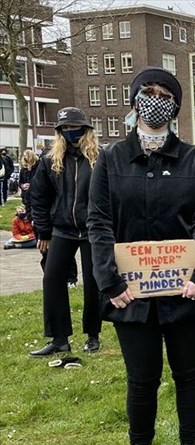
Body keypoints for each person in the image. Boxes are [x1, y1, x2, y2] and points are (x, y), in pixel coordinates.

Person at [88, 67, 195, 445]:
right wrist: (110, 283)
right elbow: (99, 221)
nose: (155, 98)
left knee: (188, 375)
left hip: (186, 292)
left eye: (164, 93)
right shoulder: (110, 159)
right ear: (134, 99)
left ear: (175, 105)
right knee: (141, 379)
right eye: (148, 92)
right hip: (131, 294)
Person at [29, 107, 103, 357]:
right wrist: (43, 231)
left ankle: (93, 336)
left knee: (94, 283)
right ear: (60, 132)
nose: (71, 132)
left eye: (75, 128)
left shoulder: (99, 158)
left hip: (93, 230)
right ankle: (59, 339)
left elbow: (112, 195)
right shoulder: (50, 160)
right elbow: (38, 197)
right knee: (52, 280)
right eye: (65, 129)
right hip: (60, 229)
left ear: (86, 129)